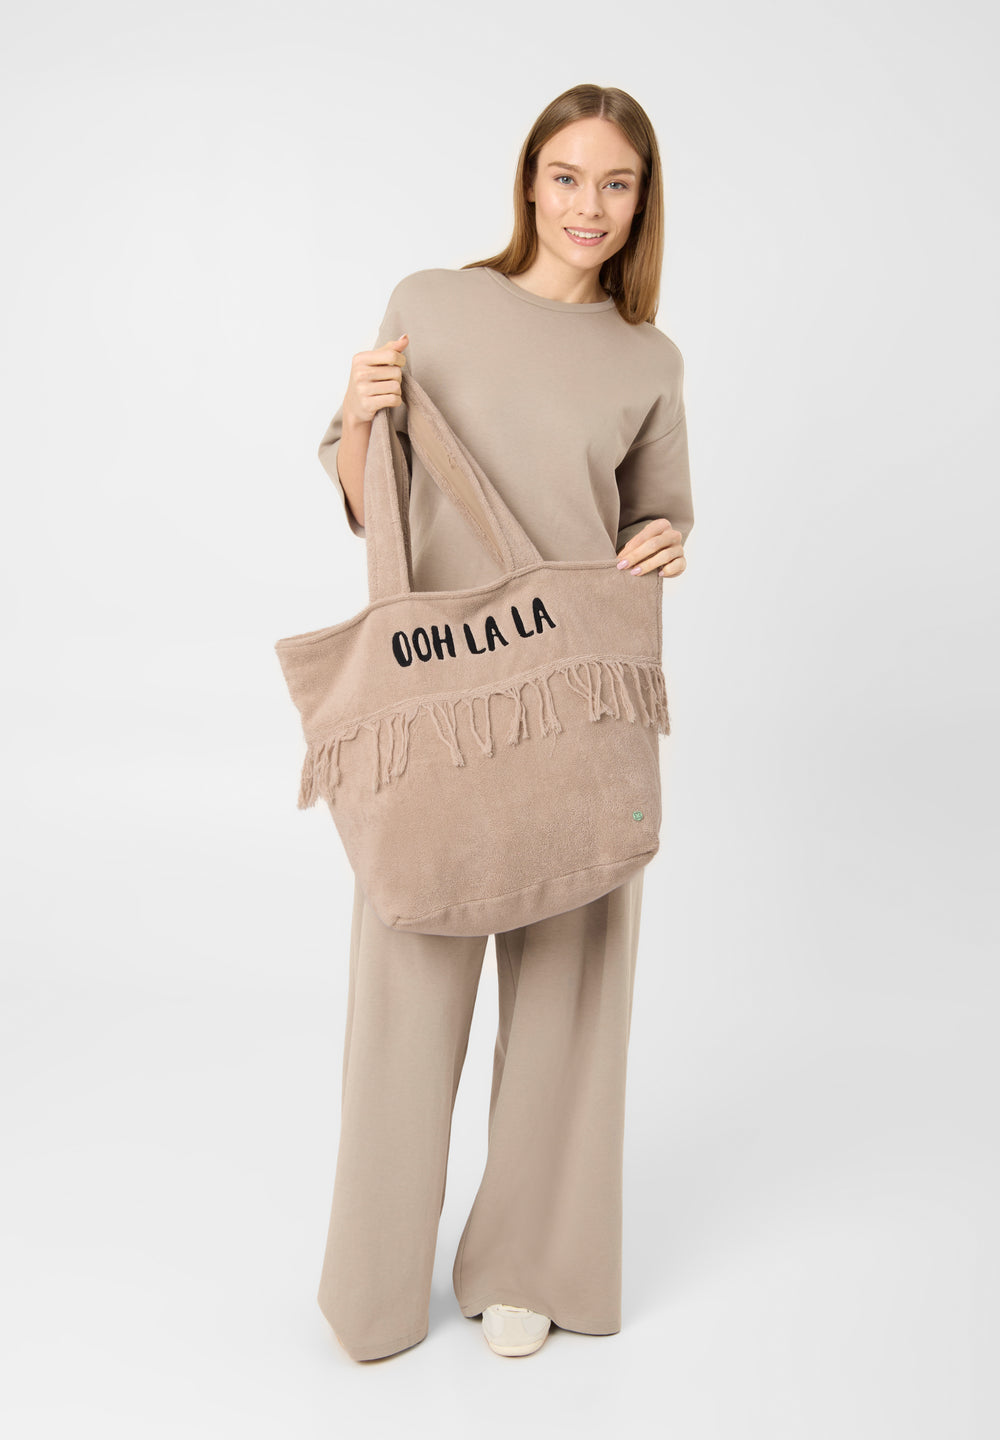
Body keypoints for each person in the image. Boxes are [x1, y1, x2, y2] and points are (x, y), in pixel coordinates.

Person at [313, 83, 694, 1362]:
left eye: (616, 184)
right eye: (568, 176)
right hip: (441, 697)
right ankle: (373, 1286)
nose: (590, 206)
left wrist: (666, 540)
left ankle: (532, 1263)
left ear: (641, 202)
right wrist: (360, 411)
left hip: (575, 694)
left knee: (572, 992)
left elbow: (657, 515)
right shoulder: (431, 303)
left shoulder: (647, 360)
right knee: (406, 990)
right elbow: (367, 502)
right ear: (530, 180)